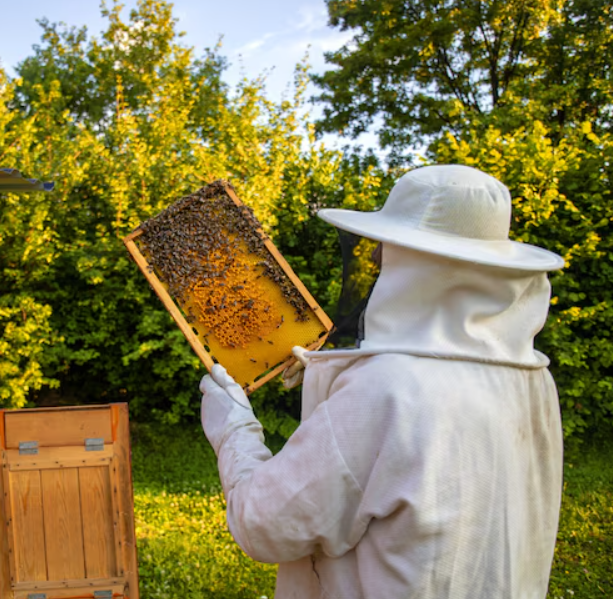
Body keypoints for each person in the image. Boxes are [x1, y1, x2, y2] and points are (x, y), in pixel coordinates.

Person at [200, 165, 565, 598]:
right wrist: (325, 373)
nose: (375, 260)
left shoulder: (386, 390)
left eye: (385, 252)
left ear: (415, 265)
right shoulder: (534, 380)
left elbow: (263, 524)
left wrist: (233, 430)